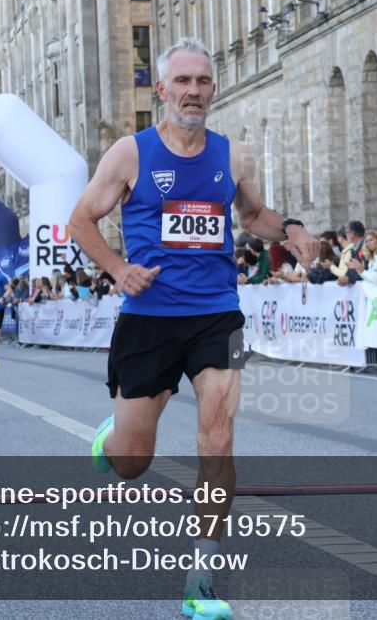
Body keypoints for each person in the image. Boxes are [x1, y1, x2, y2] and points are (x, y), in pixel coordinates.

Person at [67, 37, 318, 619]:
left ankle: (202, 573)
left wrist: (294, 231)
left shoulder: (233, 155)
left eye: (203, 81)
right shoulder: (130, 154)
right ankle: (112, 435)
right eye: (182, 82)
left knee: (219, 436)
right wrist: (117, 268)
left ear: (214, 87)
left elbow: (252, 216)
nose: (194, 91)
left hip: (216, 314)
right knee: (131, 462)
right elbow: (81, 218)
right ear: (162, 90)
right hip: (149, 317)